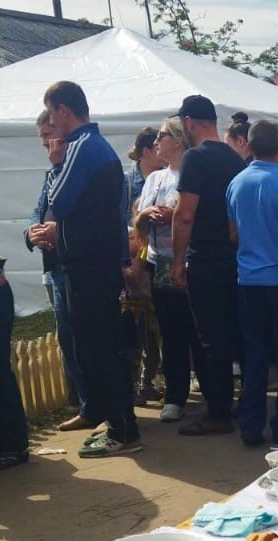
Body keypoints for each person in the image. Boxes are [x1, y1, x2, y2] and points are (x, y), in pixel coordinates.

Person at [41, 81, 138, 458]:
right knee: (105, 346)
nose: (51, 125)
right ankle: (119, 424)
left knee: (98, 348)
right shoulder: (99, 147)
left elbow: (58, 201)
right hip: (99, 262)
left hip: (88, 266)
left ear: (65, 111)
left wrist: (54, 166)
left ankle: (121, 429)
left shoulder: (80, 148)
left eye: (52, 115)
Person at [227, 120, 278, 446]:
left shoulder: (235, 183)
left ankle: (250, 424)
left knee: (254, 354)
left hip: (248, 278)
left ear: (248, 145)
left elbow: (232, 234)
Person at [171, 94, 246, 436]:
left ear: (189, 122)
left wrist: (177, 260)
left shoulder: (195, 159)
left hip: (205, 255)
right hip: (235, 255)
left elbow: (185, 213)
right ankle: (246, 404)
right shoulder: (235, 158)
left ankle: (218, 412)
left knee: (211, 338)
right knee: (236, 333)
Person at [134, 117, 206, 424]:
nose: (155, 143)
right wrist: (150, 213)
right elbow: (138, 214)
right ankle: (175, 395)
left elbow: (196, 214)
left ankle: (210, 390)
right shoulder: (155, 179)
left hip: (190, 260)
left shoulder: (192, 174)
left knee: (198, 330)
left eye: (162, 136)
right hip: (159, 261)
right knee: (171, 332)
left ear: (179, 140)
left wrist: (174, 215)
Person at [25, 109, 93, 432]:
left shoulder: (79, 167)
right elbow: (37, 211)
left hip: (78, 266)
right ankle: (87, 404)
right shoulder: (49, 174)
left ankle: (100, 406)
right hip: (54, 267)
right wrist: (32, 233)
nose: (43, 144)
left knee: (86, 339)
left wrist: (57, 230)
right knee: (68, 339)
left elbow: (77, 213)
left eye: (45, 135)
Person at [124, 127, 164, 405]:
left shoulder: (166, 179)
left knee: (155, 335)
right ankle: (137, 384)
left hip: (154, 265)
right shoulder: (126, 184)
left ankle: (149, 381)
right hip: (134, 262)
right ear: (147, 151)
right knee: (136, 336)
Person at [126, 127, 164, 211]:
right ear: (146, 151)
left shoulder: (169, 178)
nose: (163, 151)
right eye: (158, 148)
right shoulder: (126, 182)